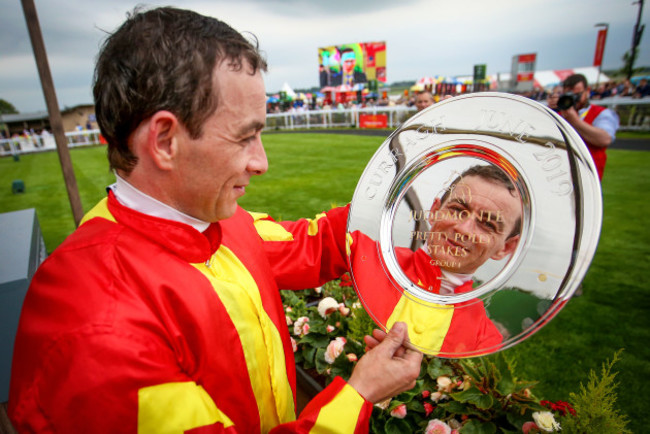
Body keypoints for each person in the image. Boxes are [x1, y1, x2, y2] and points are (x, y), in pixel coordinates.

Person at [8, 7, 422, 433]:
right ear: (165, 140)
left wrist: (419, 212)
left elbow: (314, 243)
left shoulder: (212, 219)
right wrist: (359, 394)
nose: (261, 162)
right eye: (245, 137)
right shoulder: (97, 328)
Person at [348, 165, 521, 355]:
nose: (463, 229)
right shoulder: (359, 256)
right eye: (457, 209)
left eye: (488, 224)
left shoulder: (485, 340)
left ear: (505, 248)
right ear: (435, 211)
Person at [547, 73, 619, 180]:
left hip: (588, 178)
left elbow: (604, 139)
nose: (573, 99)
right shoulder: (558, 114)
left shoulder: (601, 113)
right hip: (559, 175)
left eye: (577, 94)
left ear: (587, 91)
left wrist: (574, 121)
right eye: (568, 95)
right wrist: (548, 111)